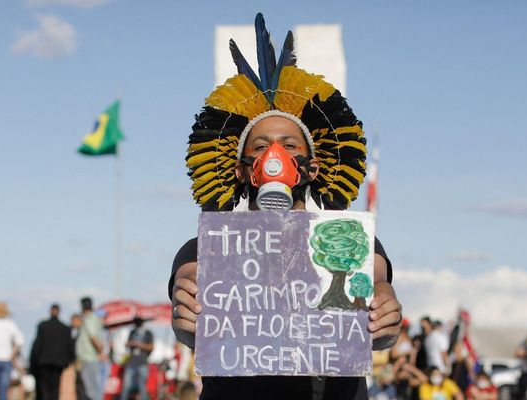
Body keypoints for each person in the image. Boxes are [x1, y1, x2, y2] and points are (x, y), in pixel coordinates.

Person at [168, 12, 401, 400]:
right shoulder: (207, 248)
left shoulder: (350, 240)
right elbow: (189, 291)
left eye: (290, 146)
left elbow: (376, 285)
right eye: (259, 147)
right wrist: (187, 315)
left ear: (312, 165)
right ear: (242, 170)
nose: (274, 156)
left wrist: (384, 316)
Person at [30, 304, 73, 400]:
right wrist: (70, 359)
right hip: (58, 363)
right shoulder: (65, 328)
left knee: (44, 386)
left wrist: (34, 361)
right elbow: (69, 346)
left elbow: (37, 344)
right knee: (55, 386)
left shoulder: (43, 326)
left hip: (44, 362)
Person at [75, 297, 107, 400]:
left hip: (89, 358)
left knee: (91, 389)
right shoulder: (93, 319)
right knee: (90, 388)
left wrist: (101, 352)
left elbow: (93, 338)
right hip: (89, 358)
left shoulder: (90, 319)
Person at [121, 317, 154, 400]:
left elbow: (151, 347)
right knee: (126, 385)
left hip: (142, 362)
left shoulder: (148, 333)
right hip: (131, 362)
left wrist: (140, 345)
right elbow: (126, 344)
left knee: (142, 386)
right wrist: (132, 343)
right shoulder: (132, 332)